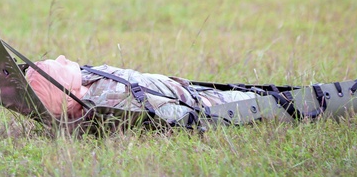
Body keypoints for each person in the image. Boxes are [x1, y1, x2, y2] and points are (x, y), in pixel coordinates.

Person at [26, 55, 256, 126]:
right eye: (61, 66)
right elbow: (179, 116)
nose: (63, 58)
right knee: (263, 102)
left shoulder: (83, 85)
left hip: (183, 89)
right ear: (67, 92)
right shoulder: (110, 102)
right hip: (198, 103)